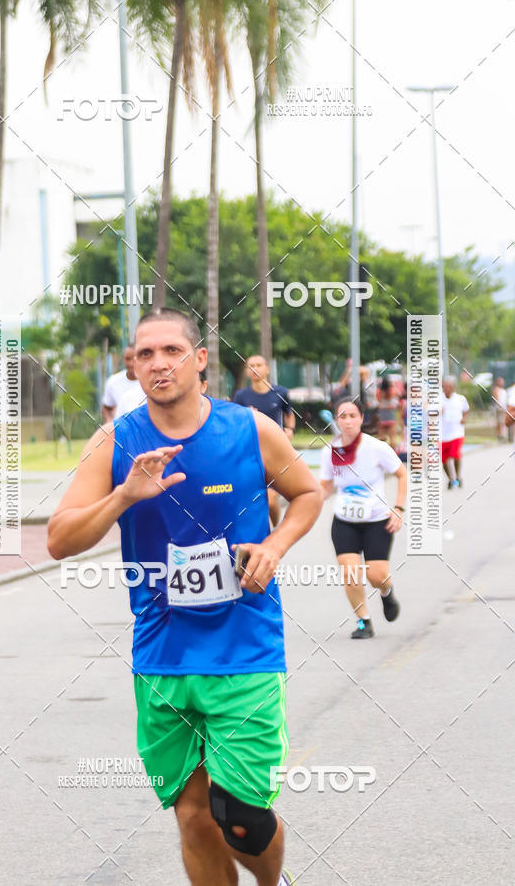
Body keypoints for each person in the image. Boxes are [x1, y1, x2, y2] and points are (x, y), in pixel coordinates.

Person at [48, 308, 323, 886]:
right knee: (194, 818)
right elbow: (59, 539)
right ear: (133, 367)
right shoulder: (117, 440)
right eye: (144, 354)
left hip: (243, 650)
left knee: (239, 817)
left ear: (199, 360)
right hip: (161, 656)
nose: (158, 364)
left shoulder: (248, 428)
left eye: (171, 350)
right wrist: (123, 497)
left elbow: (306, 494)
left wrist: (274, 545)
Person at [319, 397, 407, 639]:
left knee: (376, 575)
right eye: (342, 416)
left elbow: (402, 474)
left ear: (361, 419)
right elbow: (326, 486)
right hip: (344, 521)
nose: (347, 421)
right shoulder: (329, 451)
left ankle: (387, 593)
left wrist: (398, 509)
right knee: (350, 572)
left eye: (352, 416)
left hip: (377, 521)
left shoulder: (376, 448)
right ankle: (363, 621)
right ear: (336, 419)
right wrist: (311, 498)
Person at [233, 356, 296, 527]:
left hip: (275, 453)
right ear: (247, 371)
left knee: (270, 502)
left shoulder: (280, 393)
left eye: (259, 365)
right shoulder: (241, 396)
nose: (255, 369)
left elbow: (289, 415)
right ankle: (261, 535)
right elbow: (235, 422)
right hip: (251, 453)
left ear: (267, 369)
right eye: (251, 366)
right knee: (251, 502)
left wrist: (290, 431)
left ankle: (275, 530)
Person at [101, 345, 143, 422]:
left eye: (134, 359)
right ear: (123, 360)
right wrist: (110, 422)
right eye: (127, 359)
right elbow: (106, 408)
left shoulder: (150, 382)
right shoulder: (113, 382)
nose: (131, 363)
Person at [441, 377, 469, 489]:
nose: (447, 389)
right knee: (444, 460)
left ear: (453, 388)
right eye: (445, 386)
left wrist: (464, 418)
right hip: (442, 434)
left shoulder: (460, 399)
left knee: (455, 454)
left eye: (449, 387)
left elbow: (466, 410)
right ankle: (451, 479)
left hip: (457, 432)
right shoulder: (438, 399)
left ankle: (458, 476)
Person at [376, 376, 400, 449]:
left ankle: (380, 451)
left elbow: (378, 400)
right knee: (392, 436)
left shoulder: (379, 392)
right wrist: (393, 385)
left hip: (382, 412)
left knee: (381, 435)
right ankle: (393, 451)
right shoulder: (392, 391)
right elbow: (399, 394)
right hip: (390, 412)